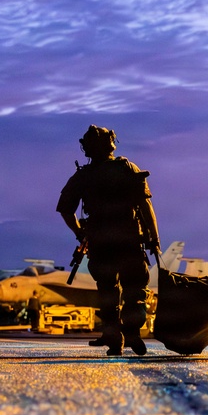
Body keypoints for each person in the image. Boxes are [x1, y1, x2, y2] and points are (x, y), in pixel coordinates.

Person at [57, 125, 160, 356]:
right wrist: (154, 238)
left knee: (107, 292)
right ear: (111, 144)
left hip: (101, 244)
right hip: (130, 241)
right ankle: (132, 331)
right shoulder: (127, 168)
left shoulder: (83, 176)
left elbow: (65, 210)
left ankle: (114, 339)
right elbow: (145, 206)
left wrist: (80, 234)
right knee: (135, 290)